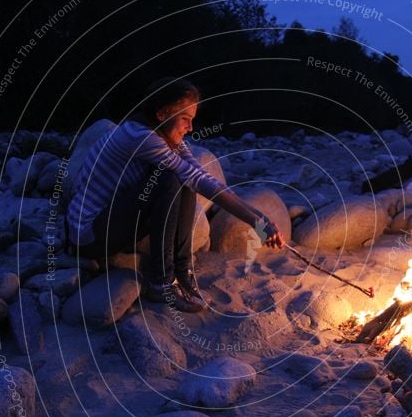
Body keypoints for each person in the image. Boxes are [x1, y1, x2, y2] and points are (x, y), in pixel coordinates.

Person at [65, 77, 284, 312]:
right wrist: (257, 223)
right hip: (88, 235)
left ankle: (182, 270)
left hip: (111, 220)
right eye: (185, 119)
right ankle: (161, 282)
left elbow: (201, 177)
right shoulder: (139, 136)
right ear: (162, 114)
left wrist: (263, 223)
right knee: (171, 178)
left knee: (183, 178)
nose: (190, 128)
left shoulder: (164, 135)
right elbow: (198, 179)